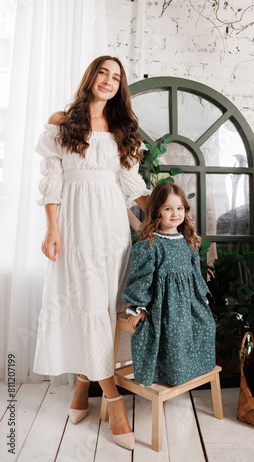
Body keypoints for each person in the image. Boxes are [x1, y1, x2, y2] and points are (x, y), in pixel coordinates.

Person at [33, 55, 151, 450]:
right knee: (86, 304)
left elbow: (131, 183)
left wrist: (168, 219)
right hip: (76, 226)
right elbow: (52, 180)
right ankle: (113, 401)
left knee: (105, 307)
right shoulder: (62, 122)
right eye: (103, 72)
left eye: (116, 77)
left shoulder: (121, 128)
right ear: (91, 76)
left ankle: (84, 385)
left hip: (112, 228)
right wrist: (52, 228)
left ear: (121, 86)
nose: (109, 80)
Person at [123, 182, 216, 386]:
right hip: (163, 307)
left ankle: (191, 370)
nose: (175, 214)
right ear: (157, 211)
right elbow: (141, 280)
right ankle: (173, 375)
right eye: (168, 208)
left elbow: (195, 277)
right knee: (173, 332)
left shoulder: (188, 241)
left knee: (207, 325)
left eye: (180, 208)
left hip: (188, 304)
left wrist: (201, 300)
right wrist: (139, 308)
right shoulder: (150, 245)